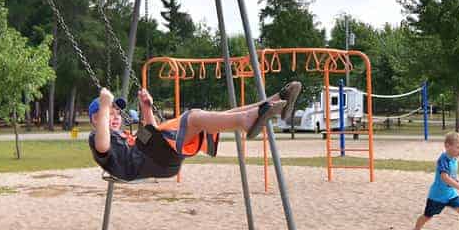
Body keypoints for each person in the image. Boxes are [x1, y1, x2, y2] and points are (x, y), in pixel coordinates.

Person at [89, 81, 304, 182]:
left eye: (117, 112)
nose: (115, 115)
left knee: (212, 117)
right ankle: (247, 121)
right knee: (193, 117)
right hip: (151, 161)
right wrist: (105, 106)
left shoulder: (126, 137)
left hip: (158, 158)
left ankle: (274, 102)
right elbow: (102, 145)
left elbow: (149, 133)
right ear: (95, 119)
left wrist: (146, 108)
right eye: (109, 113)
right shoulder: (98, 138)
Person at [410, 130, 459, 230]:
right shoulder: (443, 159)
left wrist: (456, 181)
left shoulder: (454, 159)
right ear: (447, 146)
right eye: (458, 147)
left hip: (451, 194)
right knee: (427, 216)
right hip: (437, 196)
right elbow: (444, 177)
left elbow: (451, 176)